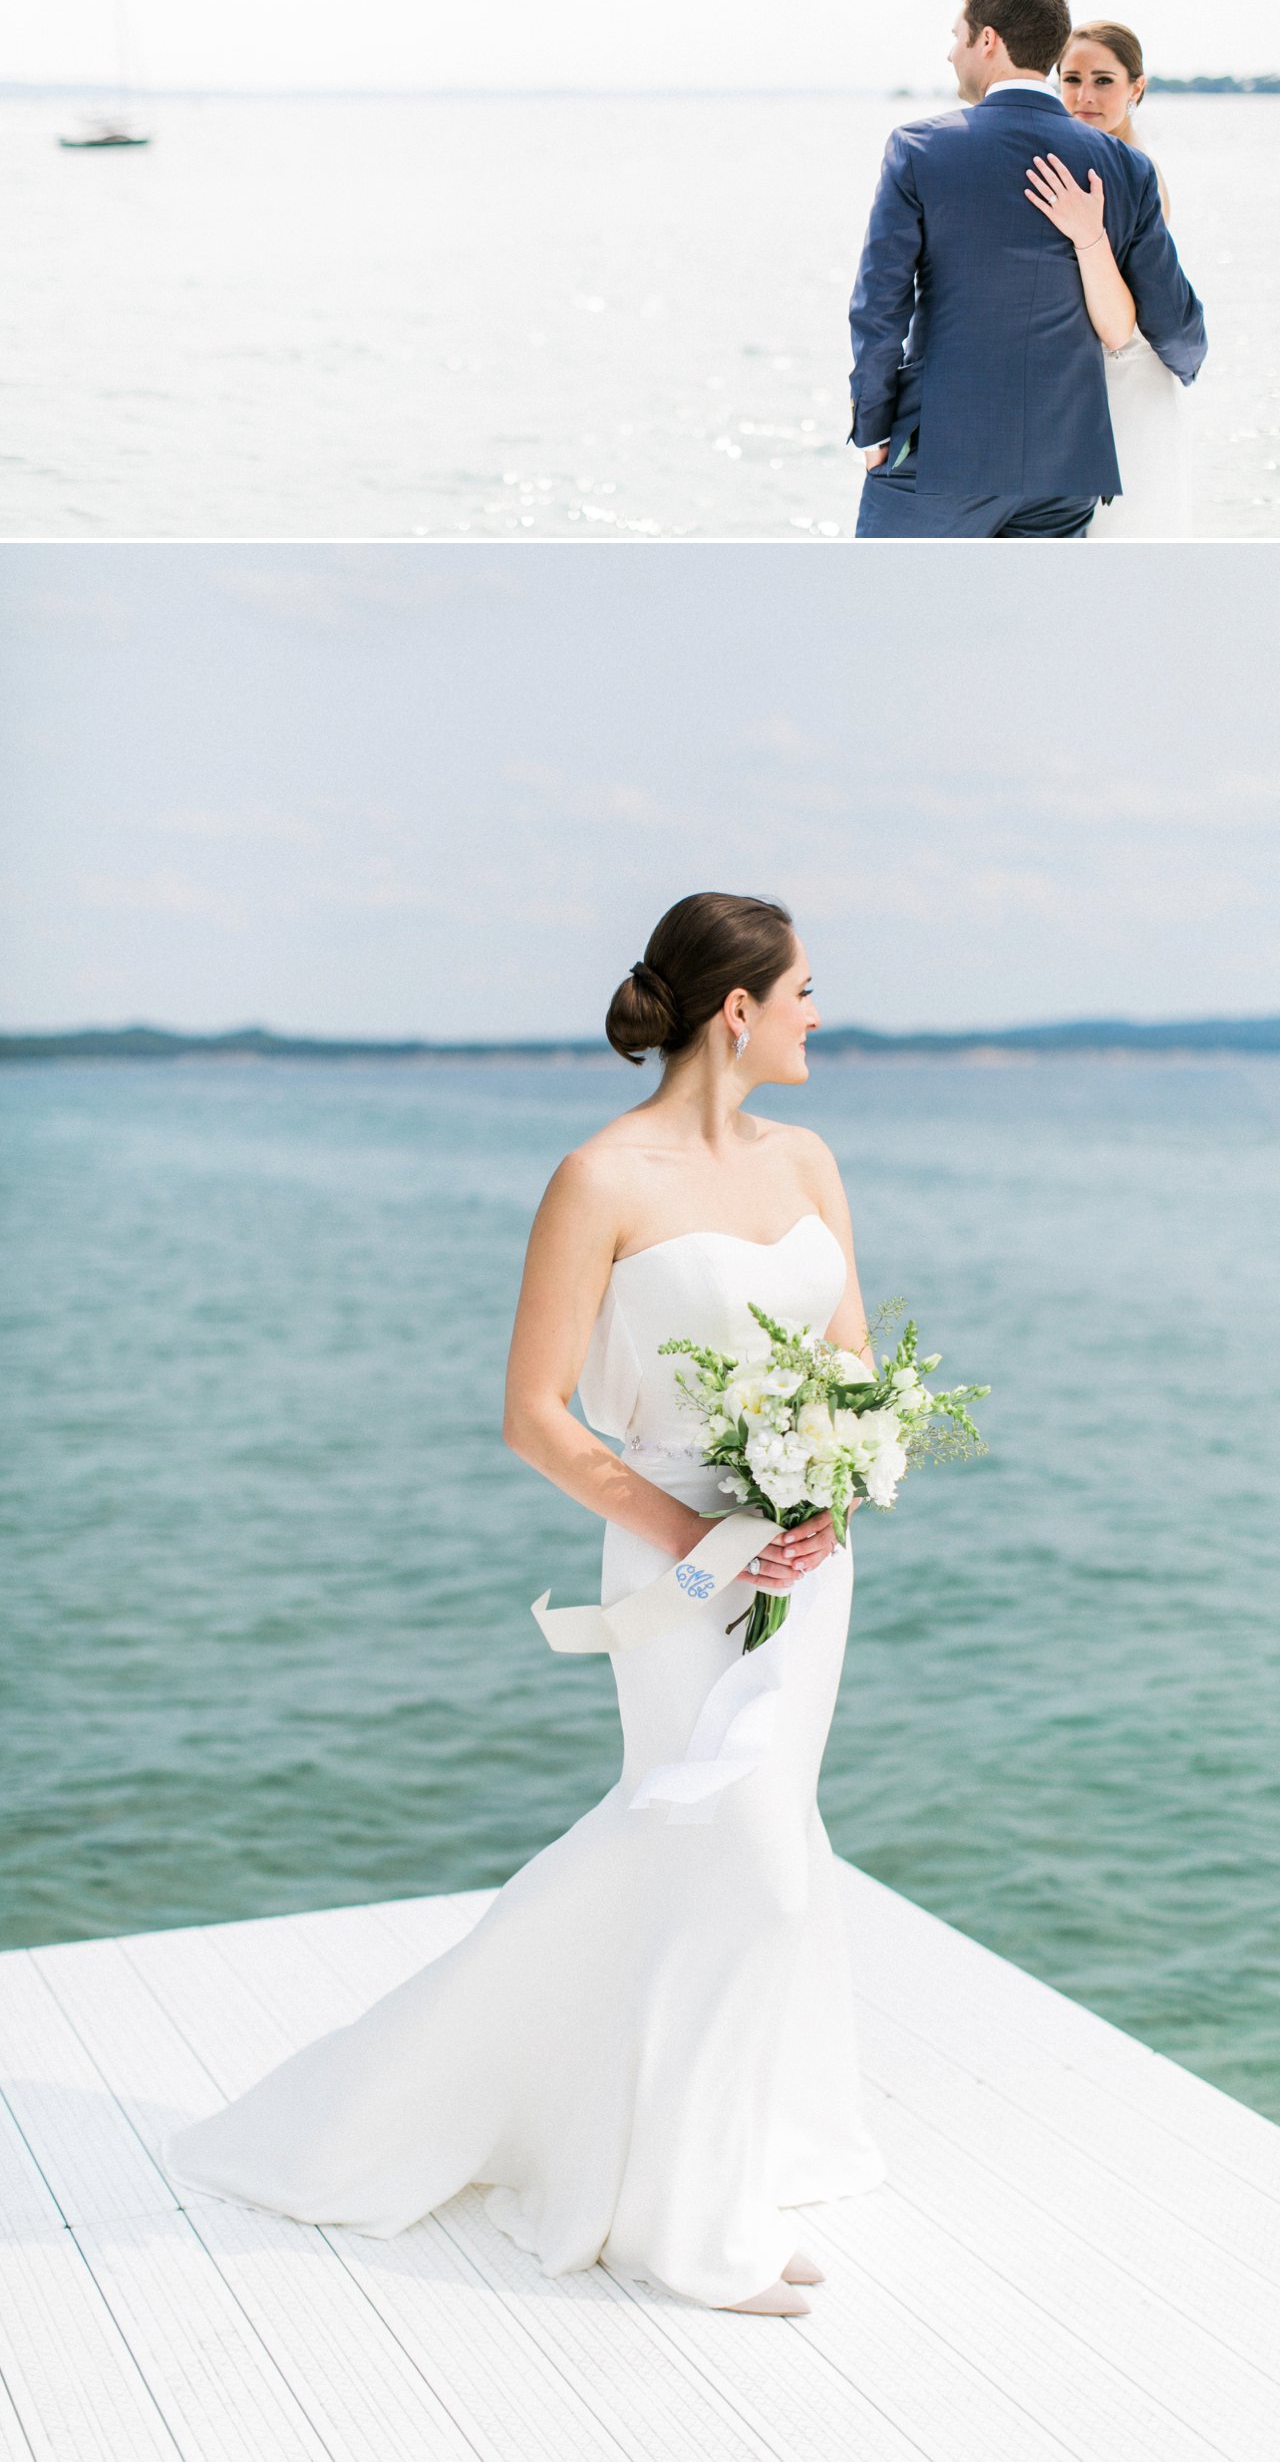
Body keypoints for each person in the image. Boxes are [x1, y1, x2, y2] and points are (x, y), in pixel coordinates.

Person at [165, 892, 886, 2316]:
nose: (820, 1010)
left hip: (810, 1563)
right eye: (803, 988)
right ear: (735, 1009)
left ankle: (727, 2172)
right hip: (681, 1566)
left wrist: (834, 1487)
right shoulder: (597, 1177)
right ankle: (675, 2221)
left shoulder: (809, 1157)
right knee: (726, 1851)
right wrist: (703, 1532)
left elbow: (853, 1357)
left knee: (763, 1856)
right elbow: (536, 1417)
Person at [848, 0, 1207, 538]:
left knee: (888, 616)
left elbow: (879, 306)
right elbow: (1171, 314)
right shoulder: (1126, 165)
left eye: (957, 35)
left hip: (945, 458)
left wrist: (870, 424)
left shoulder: (919, 148)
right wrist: (1187, 360)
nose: (950, 53)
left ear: (987, 41)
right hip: (1065, 470)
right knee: (1043, 626)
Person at [1034, 19, 1192, 538]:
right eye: (1072, 79)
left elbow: (1124, 311)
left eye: (1103, 80)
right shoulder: (1080, 161)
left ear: (1136, 88)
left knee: (1127, 533)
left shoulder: (1137, 172)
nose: (1084, 96)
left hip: (1126, 383)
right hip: (1079, 381)